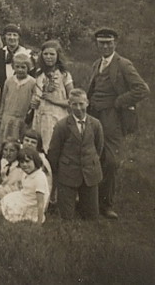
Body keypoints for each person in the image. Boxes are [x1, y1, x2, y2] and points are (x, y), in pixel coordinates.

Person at [86, 27, 150, 220]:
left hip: (112, 118)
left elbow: (142, 89)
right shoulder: (97, 63)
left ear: (115, 43)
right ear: (97, 44)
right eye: (101, 43)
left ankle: (106, 205)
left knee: (111, 161)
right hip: (94, 116)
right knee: (93, 157)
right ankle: (91, 200)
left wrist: (119, 102)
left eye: (109, 43)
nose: (105, 46)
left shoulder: (123, 64)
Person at [48, 89, 104, 220]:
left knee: (91, 217)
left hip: (89, 173)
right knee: (66, 217)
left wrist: (89, 163)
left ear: (87, 103)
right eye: (74, 104)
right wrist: (60, 172)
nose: (78, 108)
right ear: (69, 104)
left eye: (81, 104)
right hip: (68, 174)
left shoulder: (95, 124)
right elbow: (54, 152)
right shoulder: (62, 126)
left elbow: (98, 148)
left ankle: (84, 203)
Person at [31, 40, 73, 152]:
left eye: (52, 54)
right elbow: (36, 94)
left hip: (57, 117)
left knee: (53, 148)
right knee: (39, 147)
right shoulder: (39, 74)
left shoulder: (64, 75)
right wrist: (34, 103)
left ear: (58, 56)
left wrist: (54, 100)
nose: (48, 57)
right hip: (40, 116)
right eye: (45, 54)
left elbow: (72, 101)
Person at [0, 147, 50, 224]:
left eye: (27, 161)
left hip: (31, 205)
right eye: (22, 162)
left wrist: (39, 221)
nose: (24, 164)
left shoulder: (39, 178)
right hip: (24, 197)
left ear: (35, 161)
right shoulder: (27, 173)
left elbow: (40, 203)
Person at [0, 52, 36, 145]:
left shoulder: (32, 82)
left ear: (28, 68)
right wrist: (1, 116)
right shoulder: (9, 81)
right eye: (17, 67)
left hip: (22, 118)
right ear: (13, 67)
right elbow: (3, 100)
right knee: (5, 140)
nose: (20, 70)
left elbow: (33, 101)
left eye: (23, 67)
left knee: (19, 141)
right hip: (8, 116)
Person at [0, 23, 31, 89]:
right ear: (4, 37)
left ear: (19, 37)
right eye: (9, 34)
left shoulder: (26, 54)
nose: (12, 37)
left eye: (15, 35)